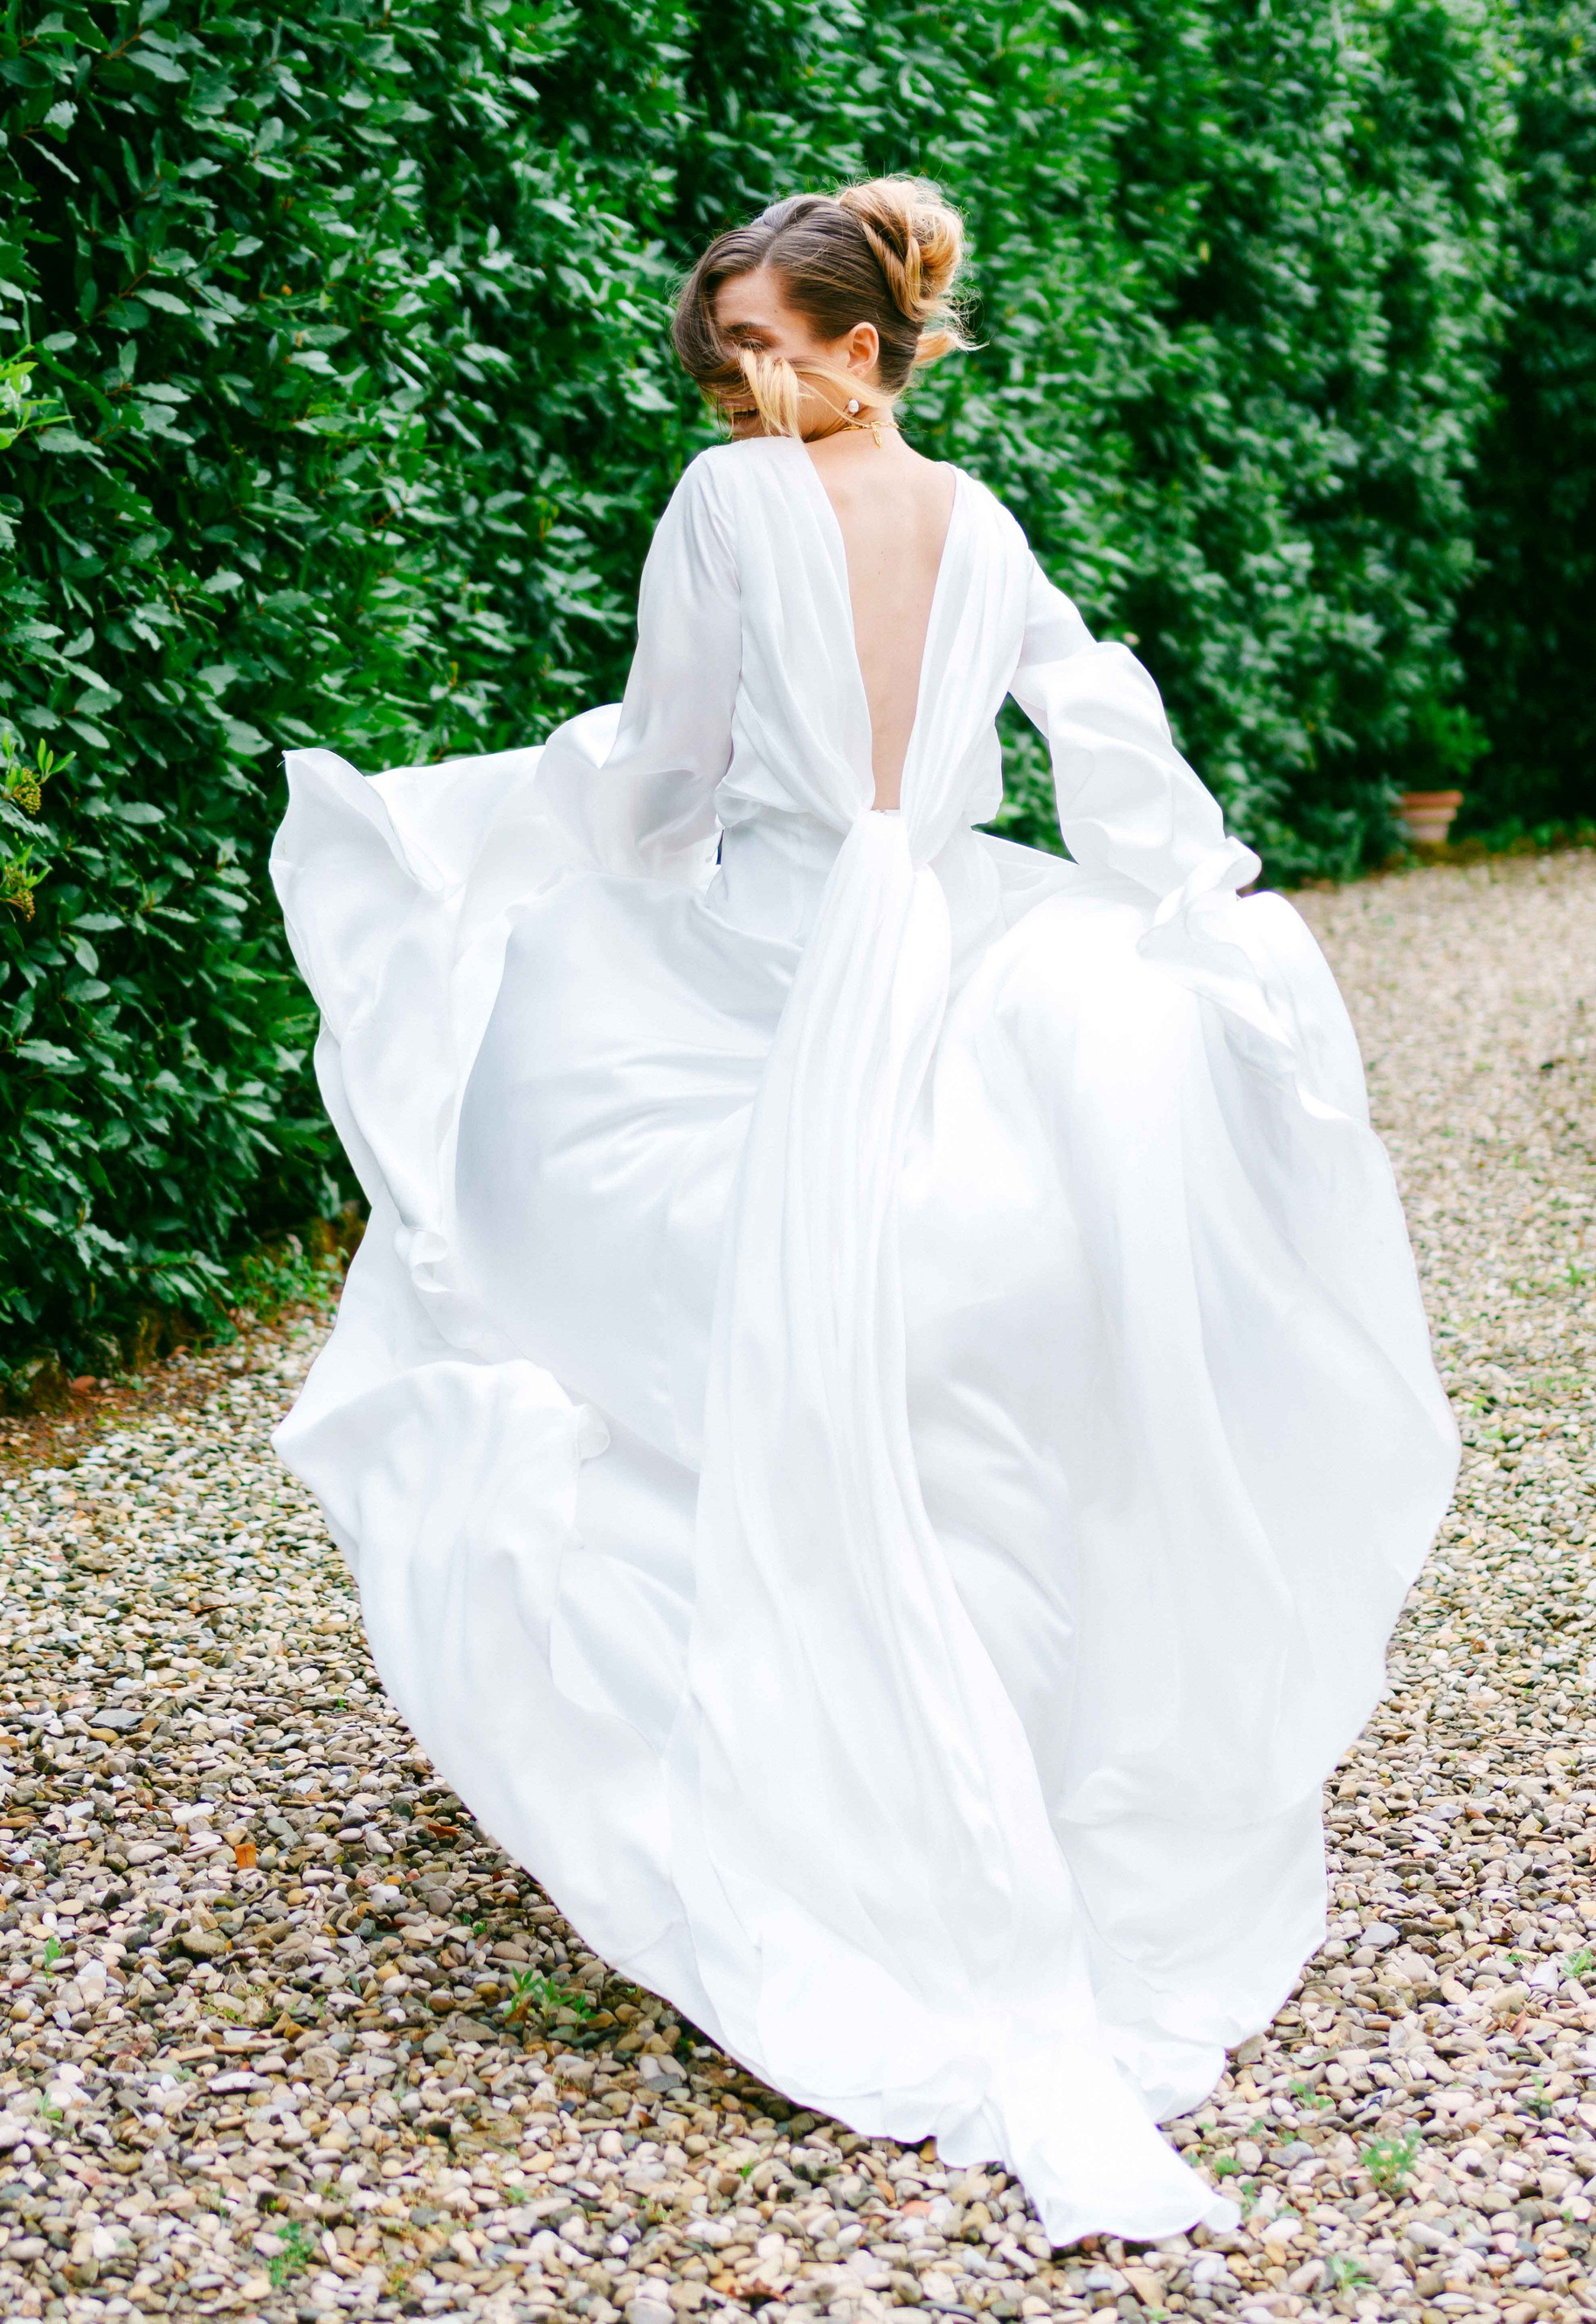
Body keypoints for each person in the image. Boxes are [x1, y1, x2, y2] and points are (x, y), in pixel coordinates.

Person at [270, 177, 1456, 2243]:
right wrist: (1192, 901)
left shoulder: (727, 510)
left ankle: (814, 1778)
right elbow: (1095, 723)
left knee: (562, 1157)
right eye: (723, 348)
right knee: (956, 1368)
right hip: (960, 943)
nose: (741, 381)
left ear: (863, 343)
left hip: (787, 954)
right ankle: (974, 1753)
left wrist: (579, 826)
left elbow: (667, 777)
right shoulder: (981, 519)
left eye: (768, 344)